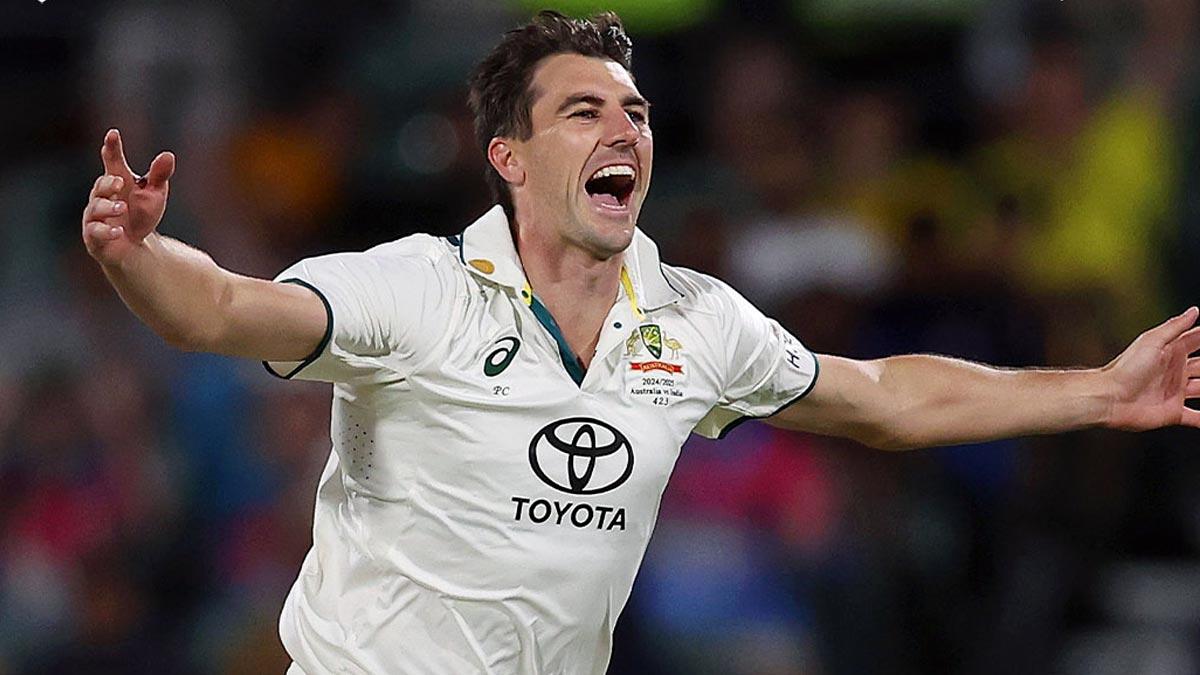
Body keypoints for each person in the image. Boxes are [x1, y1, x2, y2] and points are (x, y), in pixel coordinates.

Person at [81, 10, 1199, 675]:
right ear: (510, 159)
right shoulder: (413, 290)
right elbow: (223, 309)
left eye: (638, 115)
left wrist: (1097, 391)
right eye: (583, 113)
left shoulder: (697, 322)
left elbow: (882, 397)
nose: (624, 131)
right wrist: (138, 256)